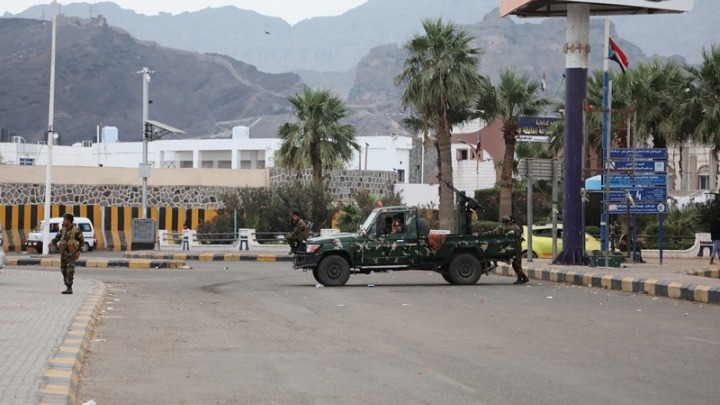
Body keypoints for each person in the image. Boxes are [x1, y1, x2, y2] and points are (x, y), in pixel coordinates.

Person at [49, 213, 85, 294]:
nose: (63, 221)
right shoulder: (62, 230)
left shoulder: (76, 231)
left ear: (69, 220)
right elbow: (57, 238)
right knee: (63, 270)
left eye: (65, 220)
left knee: (70, 270)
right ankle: (67, 286)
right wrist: (52, 242)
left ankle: (69, 287)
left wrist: (78, 251)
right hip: (63, 254)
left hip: (71, 254)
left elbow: (82, 242)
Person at [493, 215, 529, 284]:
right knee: (515, 264)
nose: (508, 222)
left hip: (517, 248)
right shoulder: (512, 227)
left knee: (516, 264)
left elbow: (513, 235)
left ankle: (524, 278)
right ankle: (521, 278)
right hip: (515, 248)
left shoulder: (514, 227)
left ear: (512, 221)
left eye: (509, 221)